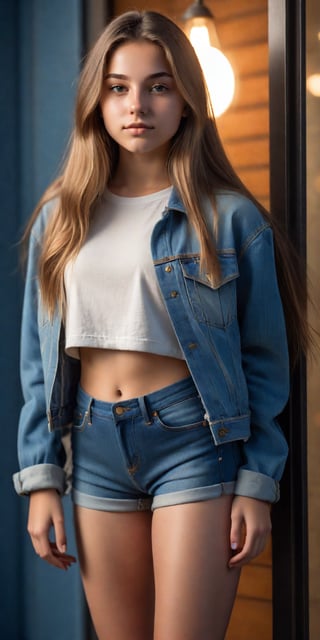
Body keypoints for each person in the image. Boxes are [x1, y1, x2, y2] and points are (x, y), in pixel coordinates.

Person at [13, 10, 309, 640]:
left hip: (194, 443)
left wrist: (258, 483)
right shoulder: (60, 217)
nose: (136, 104)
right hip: (92, 447)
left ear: (187, 101)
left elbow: (264, 363)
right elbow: (37, 364)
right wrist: (41, 479)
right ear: (97, 100)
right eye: (118, 87)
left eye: (160, 85)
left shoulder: (229, 220)